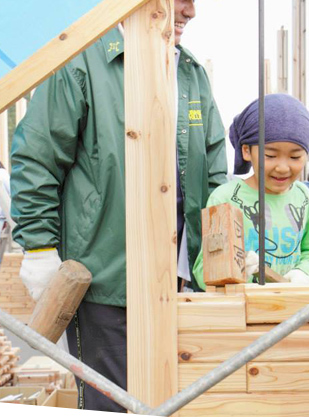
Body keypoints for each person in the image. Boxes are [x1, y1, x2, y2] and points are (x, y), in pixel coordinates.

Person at [10, 0, 227, 412]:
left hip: (183, 283)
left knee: (176, 405)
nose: (191, 11)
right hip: (105, 286)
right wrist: (39, 248)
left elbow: (215, 175)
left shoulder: (190, 73)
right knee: (109, 407)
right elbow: (37, 157)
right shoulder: (80, 60)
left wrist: (221, 251)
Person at [193, 94, 309, 288]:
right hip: (240, 312)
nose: (283, 167)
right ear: (246, 151)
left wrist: (303, 272)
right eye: (270, 155)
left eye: (295, 156)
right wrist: (235, 271)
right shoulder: (225, 199)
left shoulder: (305, 198)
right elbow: (202, 268)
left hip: (290, 308)